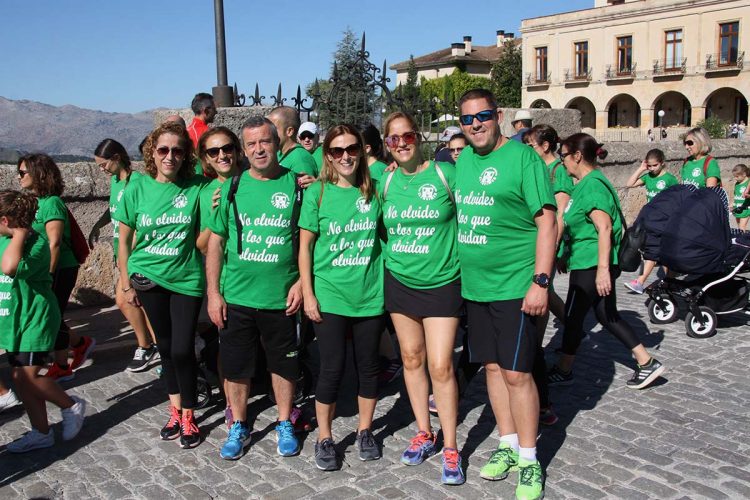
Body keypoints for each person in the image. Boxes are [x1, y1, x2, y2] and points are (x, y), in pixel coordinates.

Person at [455, 89, 556, 500]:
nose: (475, 124)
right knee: (493, 370)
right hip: (476, 287)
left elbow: (547, 222)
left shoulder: (523, 158)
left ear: (497, 116)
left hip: (516, 286)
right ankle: (508, 444)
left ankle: (530, 461)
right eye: (467, 119)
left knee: (517, 373)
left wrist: (541, 280)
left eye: (482, 116)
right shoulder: (462, 163)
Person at [206, 116, 303, 461]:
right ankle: (239, 424)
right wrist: (214, 294)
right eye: (251, 144)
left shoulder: (299, 186)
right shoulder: (231, 188)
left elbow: (310, 242)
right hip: (237, 297)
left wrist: (302, 280)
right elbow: (216, 243)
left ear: (278, 143)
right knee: (235, 367)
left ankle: (283, 422)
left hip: (281, 297)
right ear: (244, 150)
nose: (259, 149)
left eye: (265, 141)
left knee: (283, 365)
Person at [379, 111, 465, 485]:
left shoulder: (446, 174)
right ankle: (424, 431)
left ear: (419, 138)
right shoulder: (385, 180)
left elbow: (478, 210)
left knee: (442, 365)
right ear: (386, 145)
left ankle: (451, 446)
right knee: (411, 359)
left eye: (407, 137)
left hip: (443, 281)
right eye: (393, 140)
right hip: (400, 280)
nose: (401, 144)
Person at [114, 121, 207, 449]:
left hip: (186, 280)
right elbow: (124, 241)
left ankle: (191, 412)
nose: (170, 156)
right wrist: (126, 283)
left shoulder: (197, 186)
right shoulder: (136, 187)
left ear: (186, 155)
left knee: (183, 348)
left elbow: (231, 178)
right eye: (163, 149)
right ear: (152, 152)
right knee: (166, 348)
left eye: (177, 150)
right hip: (147, 279)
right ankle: (175, 409)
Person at [548, 133, 665, 392]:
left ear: (577, 156)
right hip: (586, 259)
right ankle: (646, 361)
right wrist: (565, 253)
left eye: (563, 156)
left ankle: (564, 369)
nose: (562, 161)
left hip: (592, 263)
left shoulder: (592, 185)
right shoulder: (587, 182)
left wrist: (602, 270)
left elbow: (603, 228)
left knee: (572, 315)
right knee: (606, 314)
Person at [297, 123, 384, 470]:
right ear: (327, 155)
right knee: (331, 369)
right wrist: (308, 293)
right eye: (337, 150)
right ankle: (325, 436)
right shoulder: (317, 193)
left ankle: (365, 431)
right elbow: (304, 248)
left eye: (351, 149)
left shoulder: (377, 189)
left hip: (370, 293)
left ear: (362, 150)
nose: (345, 156)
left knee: (368, 367)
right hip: (330, 294)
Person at [0, 190, 86, 452]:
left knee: (29, 376)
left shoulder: (35, 244)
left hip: (35, 321)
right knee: (19, 378)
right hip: (15, 322)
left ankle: (71, 405)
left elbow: (9, 268)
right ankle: (41, 432)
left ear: (6, 221)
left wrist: (20, 234)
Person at [17, 154, 95, 381]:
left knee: (52, 314)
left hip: (59, 267)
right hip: (43, 269)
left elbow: (55, 242)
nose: (19, 176)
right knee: (53, 314)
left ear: (38, 174)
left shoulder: (52, 203)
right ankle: (79, 345)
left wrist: (49, 275)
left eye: (23, 172)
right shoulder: (34, 202)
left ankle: (62, 365)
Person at [88, 139, 158, 372]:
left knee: (126, 299)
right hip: (122, 251)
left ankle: (147, 346)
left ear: (117, 158)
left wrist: (130, 255)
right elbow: (116, 209)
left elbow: (140, 219)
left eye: (103, 164)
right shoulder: (116, 183)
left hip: (135, 253)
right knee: (137, 302)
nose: (102, 170)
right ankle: (154, 345)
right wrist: (99, 224)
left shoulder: (138, 182)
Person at [525, 124, 573, 426]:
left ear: (545, 146)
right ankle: (572, 324)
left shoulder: (557, 172)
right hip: (537, 248)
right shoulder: (538, 166)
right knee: (550, 298)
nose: (529, 147)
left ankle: (537, 359)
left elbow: (558, 217)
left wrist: (551, 254)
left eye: (532, 143)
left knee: (541, 301)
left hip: (545, 250)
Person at [623, 149, 679, 294]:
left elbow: (678, 198)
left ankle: (641, 281)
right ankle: (669, 280)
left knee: (653, 250)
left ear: (662, 163)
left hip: (664, 219)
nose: (652, 169)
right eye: (650, 166)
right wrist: (641, 169)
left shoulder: (670, 179)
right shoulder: (648, 177)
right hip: (650, 218)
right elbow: (629, 184)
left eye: (655, 165)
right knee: (659, 250)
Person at [268, 106, 318, 183]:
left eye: (273, 129)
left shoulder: (300, 159)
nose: (269, 133)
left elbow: (304, 193)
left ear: (289, 131)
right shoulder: (279, 153)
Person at [731, 164, 750, 231]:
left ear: (744, 174)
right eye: (734, 176)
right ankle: (742, 237)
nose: (735, 178)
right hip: (738, 208)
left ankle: (743, 240)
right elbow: (735, 195)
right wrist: (732, 204)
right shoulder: (737, 183)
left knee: (742, 227)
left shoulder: (748, 183)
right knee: (739, 227)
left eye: (737, 176)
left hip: (746, 209)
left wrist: (748, 196)